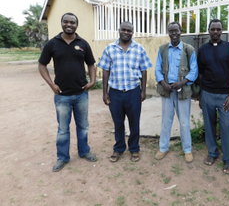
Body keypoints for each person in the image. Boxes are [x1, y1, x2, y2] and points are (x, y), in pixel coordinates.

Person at [38, 12, 98, 172]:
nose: (69, 24)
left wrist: (92, 81)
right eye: (66, 22)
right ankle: (63, 157)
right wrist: (51, 84)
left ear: (76, 25)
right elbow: (42, 65)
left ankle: (84, 151)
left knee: (83, 126)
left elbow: (91, 64)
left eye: (72, 22)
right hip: (62, 95)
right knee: (63, 128)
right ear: (62, 23)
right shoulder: (52, 44)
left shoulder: (83, 43)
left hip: (81, 94)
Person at [98, 21, 152, 163]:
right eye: (124, 29)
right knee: (118, 122)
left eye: (129, 30)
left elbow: (144, 70)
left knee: (134, 122)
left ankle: (134, 148)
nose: (126, 32)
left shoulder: (139, 49)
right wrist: (105, 92)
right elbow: (105, 71)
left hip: (133, 92)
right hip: (115, 93)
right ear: (119, 30)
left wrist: (143, 91)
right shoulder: (110, 48)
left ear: (132, 32)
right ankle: (119, 148)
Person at [197, 19, 229, 174]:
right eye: (213, 29)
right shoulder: (202, 50)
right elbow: (200, 74)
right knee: (209, 125)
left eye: (218, 29)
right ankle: (212, 152)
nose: (215, 31)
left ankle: (228, 160)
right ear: (208, 30)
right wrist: (201, 95)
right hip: (207, 93)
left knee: (226, 127)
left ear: (222, 31)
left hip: (224, 96)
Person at [154, 21, 198, 163]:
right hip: (167, 92)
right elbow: (157, 70)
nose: (174, 34)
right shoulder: (162, 49)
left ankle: (187, 150)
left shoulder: (188, 49)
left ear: (181, 32)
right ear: (168, 33)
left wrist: (182, 82)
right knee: (166, 121)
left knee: (184, 122)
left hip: (183, 91)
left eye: (176, 31)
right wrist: (163, 83)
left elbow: (194, 70)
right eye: (171, 31)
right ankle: (163, 147)